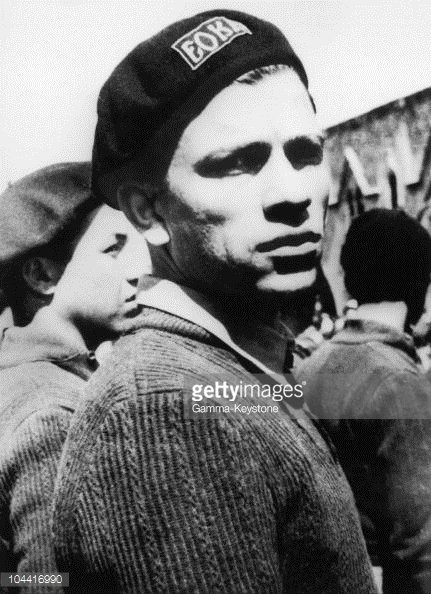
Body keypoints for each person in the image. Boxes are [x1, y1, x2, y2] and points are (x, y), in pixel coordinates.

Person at [52, 11, 377, 593]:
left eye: (305, 153)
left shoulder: (227, 371)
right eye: (237, 163)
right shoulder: (161, 413)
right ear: (148, 212)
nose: (293, 193)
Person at [0, 162, 150, 580]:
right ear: (42, 275)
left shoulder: (25, 379)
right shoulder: (50, 415)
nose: (137, 271)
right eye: (112, 250)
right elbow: (48, 581)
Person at [298, 208, 431, 593]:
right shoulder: (399, 383)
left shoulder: (309, 367)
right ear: (419, 282)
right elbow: (420, 544)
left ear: (348, 277)